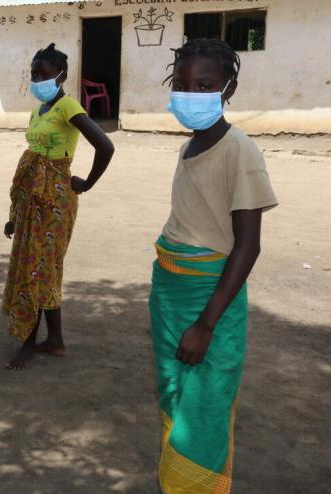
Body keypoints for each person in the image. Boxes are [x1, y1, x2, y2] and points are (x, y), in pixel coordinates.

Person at [149, 38, 278, 494]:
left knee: (204, 403)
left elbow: (248, 246)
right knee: (175, 393)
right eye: (182, 84)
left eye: (203, 84)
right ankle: (176, 481)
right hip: (170, 290)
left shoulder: (240, 151)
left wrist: (205, 323)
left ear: (228, 87)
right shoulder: (190, 145)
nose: (190, 94)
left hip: (208, 301)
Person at [3, 43, 114, 371]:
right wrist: (14, 217)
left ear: (61, 76)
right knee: (41, 268)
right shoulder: (37, 111)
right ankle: (55, 341)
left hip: (54, 202)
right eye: (34, 75)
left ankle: (27, 343)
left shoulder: (68, 107)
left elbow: (105, 145)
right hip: (30, 201)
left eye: (44, 75)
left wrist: (87, 182)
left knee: (39, 269)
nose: (38, 80)